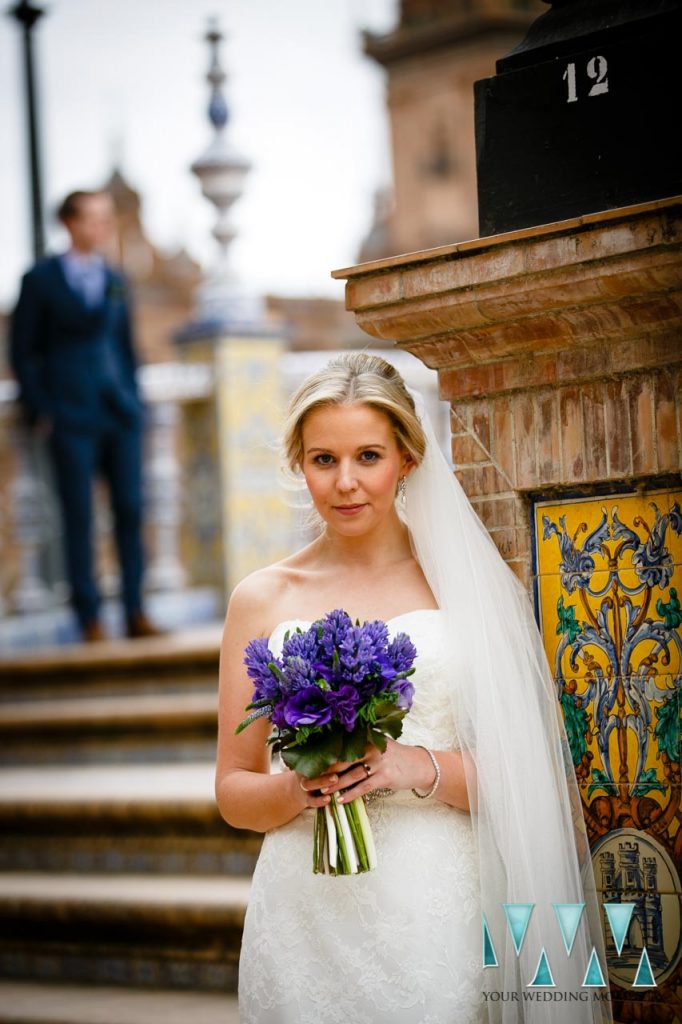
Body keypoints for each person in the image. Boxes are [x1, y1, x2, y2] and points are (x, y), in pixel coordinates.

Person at [216, 353, 613, 1024]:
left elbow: (533, 786)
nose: (345, 483)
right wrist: (295, 789)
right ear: (298, 464)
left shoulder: (470, 591)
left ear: (405, 459)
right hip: (301, 920)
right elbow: (232, 791)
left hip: (436, 917)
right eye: (323, 460)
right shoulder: (261, 599)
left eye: (368, 456)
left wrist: (414, 765)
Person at [9, 189, 162, 642]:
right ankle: (89, 618)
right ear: (70, 223)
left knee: (131, 510)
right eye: (94, 218)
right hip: (70, 415)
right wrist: (43, 409)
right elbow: (23, 352)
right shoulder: (40, 279)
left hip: (119, 412)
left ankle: (136, 611)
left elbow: (126, 346)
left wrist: (134, 400)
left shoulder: (116, 278)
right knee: (78, 516)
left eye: (106, 218)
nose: (103, 226)